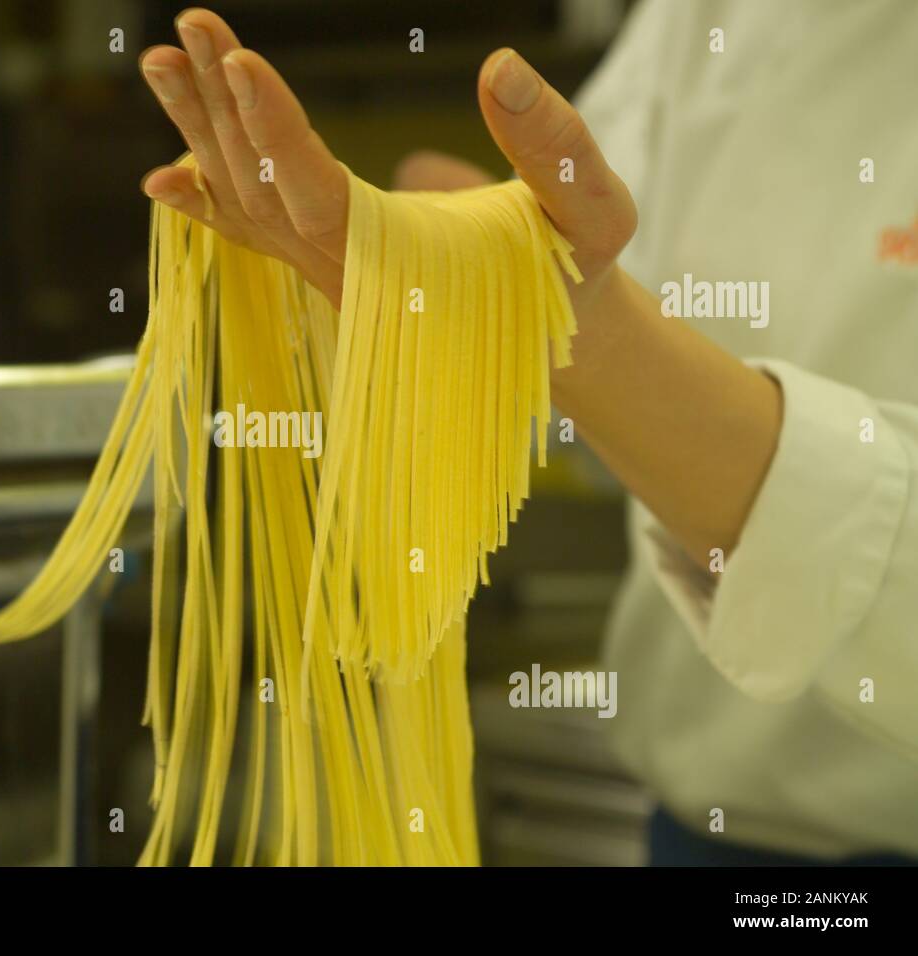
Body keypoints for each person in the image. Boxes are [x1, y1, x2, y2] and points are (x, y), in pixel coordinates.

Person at [136, 3, 918, 865]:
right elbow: (596, 381)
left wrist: (576, 325)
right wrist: (484, 295)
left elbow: (597, 324)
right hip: (708, 843)